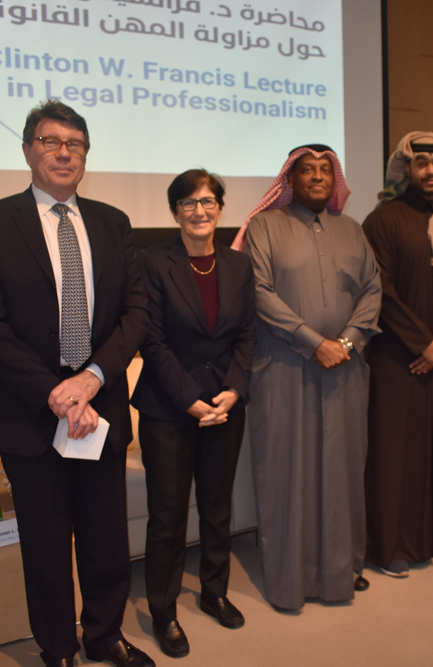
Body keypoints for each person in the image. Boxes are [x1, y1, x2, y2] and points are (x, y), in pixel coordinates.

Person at [0, 100, 153, 667]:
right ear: (28, 150)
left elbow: (137, 313)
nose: (64, 152)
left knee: (105, 539)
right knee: (45, 547)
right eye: (51, 142)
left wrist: (91, 379)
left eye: (75, 143)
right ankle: (58, 648)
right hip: (29, 414)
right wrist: (54, 391)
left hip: (101, 408)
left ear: (86, 155)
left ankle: (104, 636)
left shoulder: (113, 223)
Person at [238, 144, 382, 610]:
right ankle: (289, 579)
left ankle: (341, 569)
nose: (318, 177)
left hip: (345, 369)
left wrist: (344, 343)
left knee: (343, 468)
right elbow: (257, 291)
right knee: (286, 471)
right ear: (290, 179)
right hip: (283, 368)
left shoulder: (353, 230)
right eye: (307, 170)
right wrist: (311, 341)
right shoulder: (264, 226)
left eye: (326, 170)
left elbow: (373, 290)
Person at [130, 170, 256, 658]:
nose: (199, 211)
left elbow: (247, 334)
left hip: (225, 404)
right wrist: (189, 399)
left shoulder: (239, 266)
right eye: (188, 203)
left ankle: (214, 591)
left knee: (218, 506)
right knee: (167, 515)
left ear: (220, 208)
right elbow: (151, 340)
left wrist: (234, 390)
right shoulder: (151, 263)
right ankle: (164, 612)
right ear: (174, 211)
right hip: (168, 408)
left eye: (207, 202)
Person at [362, 132, 433, 577]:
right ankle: (389, 546)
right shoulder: (383, 220)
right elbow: (380, 289)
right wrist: (421, 342)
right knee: (396, 451)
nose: (431, 171)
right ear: (406, 169)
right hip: (397, 356)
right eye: (422, 163)